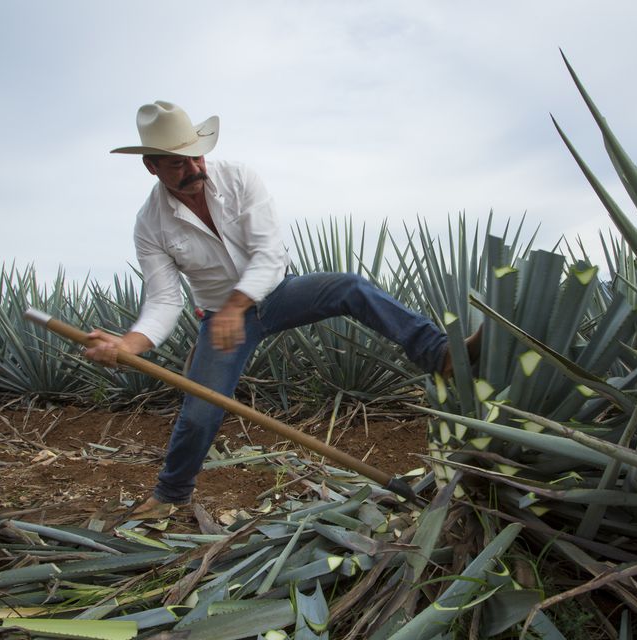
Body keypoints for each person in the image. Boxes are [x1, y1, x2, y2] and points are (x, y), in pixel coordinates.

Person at [84, 101, 470, 513]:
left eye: (196, 156)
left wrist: (238, 303)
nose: (194, 169)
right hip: (221, 322)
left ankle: (439, 353)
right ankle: (170, 494)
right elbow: (163, 299)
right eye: (177, 164)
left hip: (278, 292)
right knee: (200, 412)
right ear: (152, 167)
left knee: (350, 287)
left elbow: (268, 255)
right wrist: (128, 346)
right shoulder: (150, 224)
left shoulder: (238, 178)